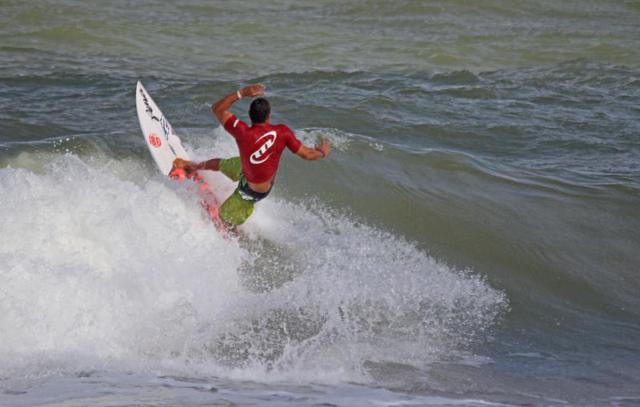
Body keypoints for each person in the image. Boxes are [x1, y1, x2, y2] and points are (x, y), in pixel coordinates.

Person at [172, 83, 331, 227]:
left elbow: (217, 108)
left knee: (224, 219)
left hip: (250, 191)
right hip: (252, 176)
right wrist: (322, 151)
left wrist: (242, 93)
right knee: (223, 164)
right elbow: (308, 155)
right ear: (269, 116)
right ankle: (193, 166)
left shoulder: (242, 131)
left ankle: (231, 231)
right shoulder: (283, 132)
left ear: (249, 114)